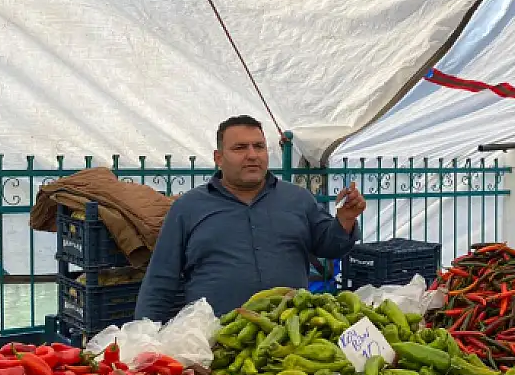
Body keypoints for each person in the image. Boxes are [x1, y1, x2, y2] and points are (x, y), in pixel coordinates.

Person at [135, 115, 366, 319]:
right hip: (216, 338)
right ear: (218, 157)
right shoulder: (189, 207)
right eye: (240, 148)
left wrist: (344, 220)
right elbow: (160, 279)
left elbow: (329, 247)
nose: (252, 155)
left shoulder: (297, 199)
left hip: (290, 332)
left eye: (259, 146)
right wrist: (144, 335)